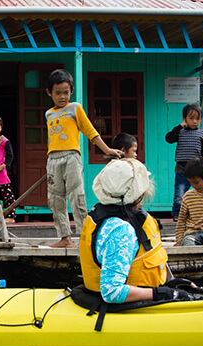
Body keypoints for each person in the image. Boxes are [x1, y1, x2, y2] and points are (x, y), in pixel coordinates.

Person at [79, 158, 194, 304]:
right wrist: (163, 293)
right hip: (122, 308)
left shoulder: (110, 218)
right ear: (139, 194)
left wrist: (171, 283)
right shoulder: (120, 230)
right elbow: (111, 292)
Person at [44, 69, 121, 248]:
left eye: (66, 92)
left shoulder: (75, 108)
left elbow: (90, 132)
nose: (62, 97)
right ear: (49, 93)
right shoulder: (49, 114)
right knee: (55, 200)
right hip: (53, 159)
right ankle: (65, 238)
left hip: (71, 157)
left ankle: (85, 237)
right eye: (57, 93)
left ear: (71, 91)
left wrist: (108, 149)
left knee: (76, 197)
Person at [165, 103, 203, 221]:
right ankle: (177, 213)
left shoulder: (202, 133)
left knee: (200, 190)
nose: (194, 121)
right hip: (182, 166)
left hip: (197, 166)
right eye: (191, 118)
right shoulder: (180, 131)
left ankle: (200, 213)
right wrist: (179, 126)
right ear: (184, 119)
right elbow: (169, 138)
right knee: (180, 190)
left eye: (197, 119)